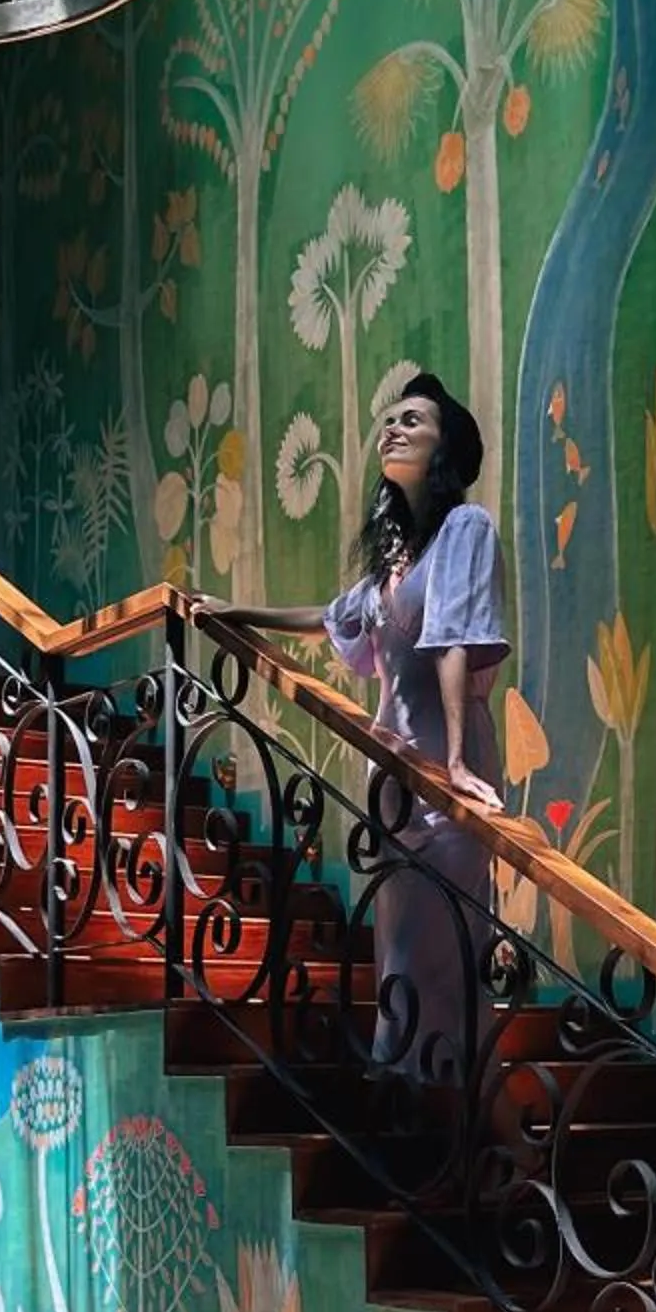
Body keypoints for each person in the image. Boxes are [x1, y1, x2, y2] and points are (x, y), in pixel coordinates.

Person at [217, 371, 509, 1069]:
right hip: (387, 775)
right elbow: (328, 618)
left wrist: (459, 765)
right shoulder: (393, 562)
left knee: (444, 946)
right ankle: (406, 1101)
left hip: (441, 767)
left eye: (415, 421)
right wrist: (231, 613)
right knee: (396, 956)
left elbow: (453, 640)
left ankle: (447, 1107)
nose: (395, 428)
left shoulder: (464, 528)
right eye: (391, 418)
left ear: (445, 451)